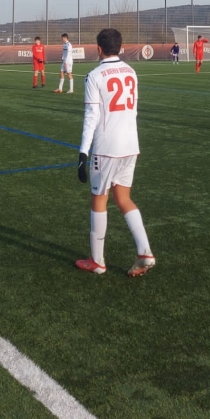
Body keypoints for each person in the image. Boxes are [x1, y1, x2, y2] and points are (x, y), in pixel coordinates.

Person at [75, 28, 154, 277]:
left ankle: (97, 262)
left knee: (99, 198)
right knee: (123, 198)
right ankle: (145, 251)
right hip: (131, 145)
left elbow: (92, 116)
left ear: (98, 49)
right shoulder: (131, 71)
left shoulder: (94, 76)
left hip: (107, 147)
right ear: (120, 47)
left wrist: (83, 152)